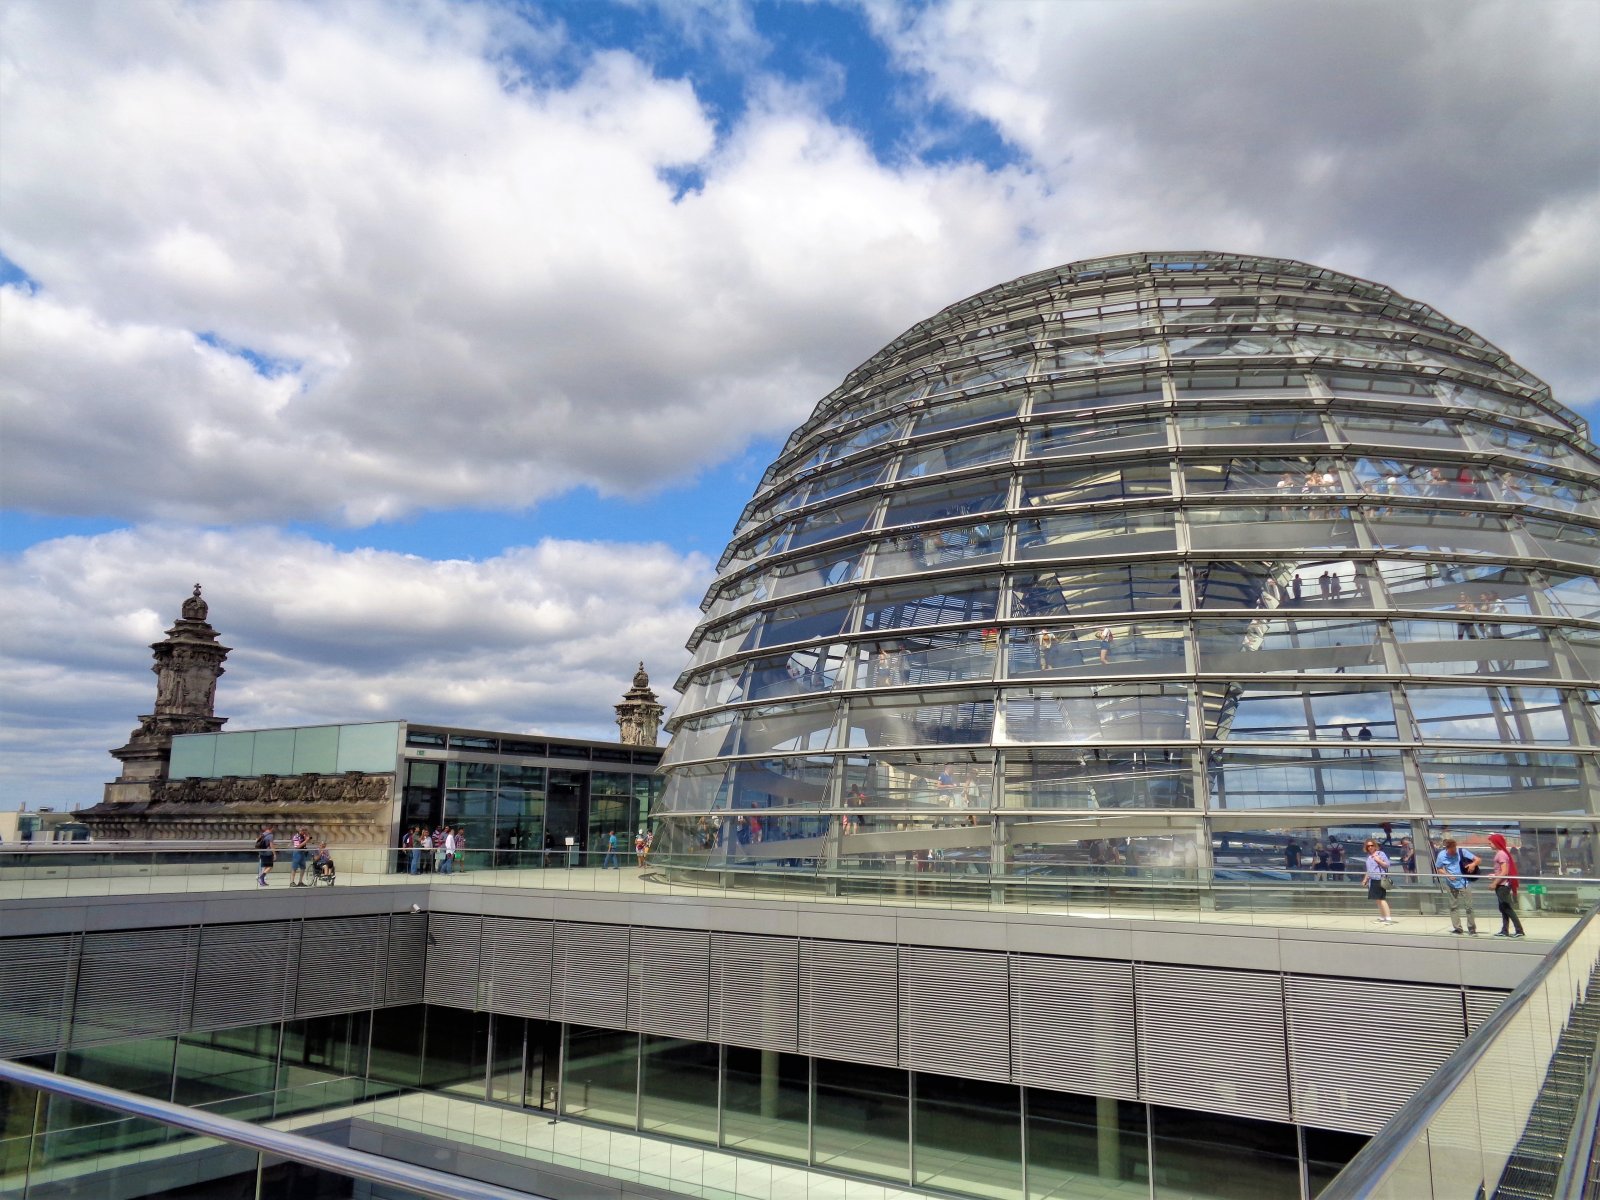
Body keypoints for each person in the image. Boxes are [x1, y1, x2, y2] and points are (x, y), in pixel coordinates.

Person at [1433, 837, 1478, 935]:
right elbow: (1439, 868)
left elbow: (1477, 859)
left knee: (1469, 906)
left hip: (1464, 883)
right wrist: (1448, 875)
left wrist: (1473, 864)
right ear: (1447, 848)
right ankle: (1457, 928)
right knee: (1453, 906)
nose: (1454, 852)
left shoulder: (1462, 852)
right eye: (1451, 851)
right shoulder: (1441, 855)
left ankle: (1472, 928)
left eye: (1454, 850)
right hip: (1451, 884)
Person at [1488, 833, 1526, 938]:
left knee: (1507, 908)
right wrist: (1495, 875)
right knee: (1504, 908)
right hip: (1502, 884)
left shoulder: (1501, 854)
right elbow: (1502, 871)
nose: (1489, 844)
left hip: (1502, 886)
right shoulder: (1502, 853)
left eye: (1491, 842)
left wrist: (1494, 883)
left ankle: (1519, 930)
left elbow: (1504, 871)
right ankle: (1505, 930)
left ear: (1496, 843)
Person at [1363, 838, 1395, 924]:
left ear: (1375, 846)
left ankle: (1388, 918)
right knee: (1377, 899)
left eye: (1371, 845)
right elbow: (1369, 870)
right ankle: (1382, 917)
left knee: (1382, 899)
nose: (1370, 847)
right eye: (1368, 846)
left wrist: (1378, 860)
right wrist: (1365, 879)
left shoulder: (1380, 854)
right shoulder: (1369, 857)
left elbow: (1387, 864)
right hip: (1372, 879)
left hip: (1380, 879)